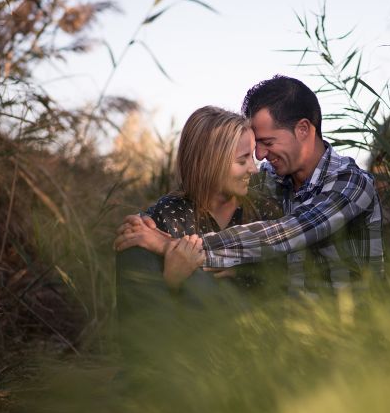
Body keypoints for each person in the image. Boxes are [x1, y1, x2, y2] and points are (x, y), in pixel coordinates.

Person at [115, 75, 383, 294]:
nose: (260, 156)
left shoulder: (351, 184)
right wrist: (146, 224)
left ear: (303, 129)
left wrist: (171, 247)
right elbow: (216, 180)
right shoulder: (271, 178)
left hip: (343, 330)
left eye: (267, 142)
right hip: (282, 326)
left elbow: (284, 234)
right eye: (256, 146)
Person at [115, 105, 283, 318]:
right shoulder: (166, 215)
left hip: (254, 327)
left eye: (252, 158)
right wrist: (170, 281)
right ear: (208, 162)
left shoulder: (265, 211)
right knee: (134, 247)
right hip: (184, 329)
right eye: (242, 160)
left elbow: (279, 284)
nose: (253, 169)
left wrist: (176, 254)